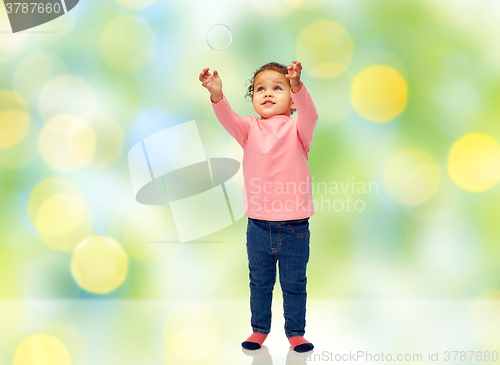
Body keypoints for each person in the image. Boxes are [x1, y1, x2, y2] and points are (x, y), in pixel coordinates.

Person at [199, 61, 318, 353]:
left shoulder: (298, 128)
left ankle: (295, 333)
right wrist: (216, 94)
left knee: (294, 284)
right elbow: (227, 117)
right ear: (252, 98)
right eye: (260, 89)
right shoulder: (248, 129)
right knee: (260, 283)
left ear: (292, 101)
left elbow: (311, 114)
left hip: (295, 228)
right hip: (258, 227)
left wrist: (299, 86)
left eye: (278, 88)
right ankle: (259, 330)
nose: (267, 94)